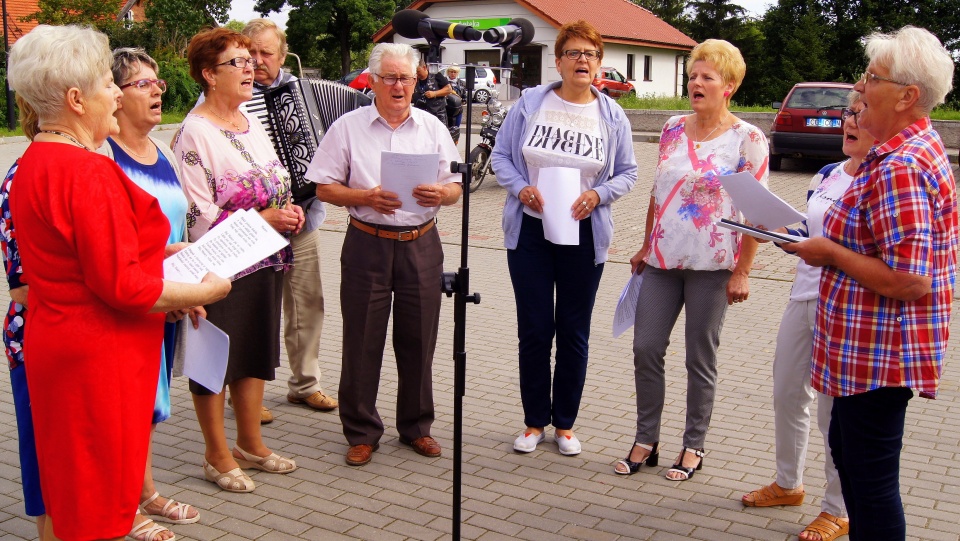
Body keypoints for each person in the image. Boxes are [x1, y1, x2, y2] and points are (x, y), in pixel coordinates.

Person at [7, 24, 230, 541]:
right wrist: (205, 291)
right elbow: (124, 287)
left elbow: (76, 255)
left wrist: (158, 250)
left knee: (69, 492)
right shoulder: (87, 171)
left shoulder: (36, 160)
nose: (116, 94)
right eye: (109, 84)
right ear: (75, 98)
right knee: (98, 500)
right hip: (97, 358)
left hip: (59, 344)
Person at [783, 26, 956, 539]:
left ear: (908, 97)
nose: (858, 90)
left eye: (870, 79)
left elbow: (910, 280)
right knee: (856, 470)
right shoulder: (900, 151)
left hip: (881, 355)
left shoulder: (900, 165)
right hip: (864, 352)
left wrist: (828, 252)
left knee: (873, 487)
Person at [616, 38, 768, 481]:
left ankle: (694, 445)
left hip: (714, 266)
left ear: (731, 86)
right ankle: (647, 439)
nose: (696, 84)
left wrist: (743, 270)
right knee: (645, 347)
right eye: (692, 76)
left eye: (707, 77)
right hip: (663, 260)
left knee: (699, 358)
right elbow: (657, 192)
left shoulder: (748, 140)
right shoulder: (671, 128)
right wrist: (645, 245)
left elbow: (756, 213)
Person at [305, 42, 462, 467]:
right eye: (389, 77)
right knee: (361, 339)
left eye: (406, 78)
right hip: (367, 242)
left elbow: (455, 186)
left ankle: (416, 427)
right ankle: (361, 431)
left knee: (419, 339)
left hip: (422, 242)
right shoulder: (347, 127)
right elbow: (323, 186)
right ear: (372, 81)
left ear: (417, 81)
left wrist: (442, 193)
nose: (398, 86)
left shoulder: (432, 127)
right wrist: (364, 196)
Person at [490, 20, 637, 456]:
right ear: (558, 61)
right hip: (531, 230)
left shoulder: (611, 115)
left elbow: (628, 172)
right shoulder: (530, 104)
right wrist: (521, 188)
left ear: (599, 63)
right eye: (574, 53)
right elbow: (501, 155)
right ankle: (535, 421)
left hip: (585, 230)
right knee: (535, 329)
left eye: (590, 54)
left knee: (573, 330)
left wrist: (597, 193)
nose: (582, 60)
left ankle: (565, 424)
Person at [175, 27, 302, 493]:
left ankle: (251, 442)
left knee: (253, 352)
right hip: (219, 268)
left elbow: (276, 180)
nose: (250, 68)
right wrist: (263, 217)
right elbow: (196, 212)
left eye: (250, 60)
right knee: (214, 362)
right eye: (237, 62)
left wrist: (288, 209)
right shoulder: (195, 132)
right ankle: (216, 453)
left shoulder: (249, 119)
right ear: (209, 75)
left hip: (265, 258)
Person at [740, 93, 871, 541]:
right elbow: (808, 229)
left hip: (845, 306)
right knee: (787, 393)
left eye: (857, 114)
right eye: (846, 114)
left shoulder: (880, 177)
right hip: (802, 295)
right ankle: (787, 483)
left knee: (832, 413)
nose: (847, 123)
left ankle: (837, 508)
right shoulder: (829, 173)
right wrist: (777, 233)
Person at [103, 47, 202, 541]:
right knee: (127, 407)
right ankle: (125, 508)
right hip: (133, 298)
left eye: (157, 82)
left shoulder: (158, 149)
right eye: (142, 83)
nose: (157, 90)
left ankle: (144, 490)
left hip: (165, 297)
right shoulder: (105, 156)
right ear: (114, 97)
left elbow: (175, 224)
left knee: (152, 404)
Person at [243, 18, 337, 416]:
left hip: (304, 218)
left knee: (306, 303)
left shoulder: (305, 93)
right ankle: (246, 393)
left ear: (283, 55)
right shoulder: (227, 91)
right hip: (252, 223)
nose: (257, 61)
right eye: (250, 54)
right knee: (251, 308)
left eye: (266, 53)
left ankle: (305, 383)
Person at [1, 97, 45, 541]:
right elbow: (22, 287)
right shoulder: (24, 176)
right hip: (37, 340)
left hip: (74, 340)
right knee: (45, 459)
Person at [413, 58, 453, 132]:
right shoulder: (414, 79)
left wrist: (434, 93)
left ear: (424, 67)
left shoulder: (436, 75)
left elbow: (449, 89)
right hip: (421, 114)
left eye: (418, 71)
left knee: (440, 135)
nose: (417, 74)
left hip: (437, 113)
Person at [445, 65, 464, 143]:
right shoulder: (444, 81)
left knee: (456, 128)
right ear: (448, 72)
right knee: (447, 129)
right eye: (451, 72)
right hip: (447, 109)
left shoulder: (461, 83)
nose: (453, 74)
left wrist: (463, 100)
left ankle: (454, 145)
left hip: (458, 110)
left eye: (454, 72)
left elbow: (464, 94)